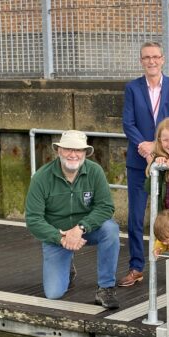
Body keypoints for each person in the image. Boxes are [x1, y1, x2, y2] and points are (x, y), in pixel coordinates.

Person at [25, 130, 120, 309]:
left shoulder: (95, 171)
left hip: (86, 230)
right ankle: (68, 265)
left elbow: (106, 207)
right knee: (54, 293)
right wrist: (59, 237)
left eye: (79, 150)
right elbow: (33, 219)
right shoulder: (41, 177)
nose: (73, 154)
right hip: (58, 236)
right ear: (59, 151)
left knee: (111, 229)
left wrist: (80, 228)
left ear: (85, 153)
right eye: (68, 149)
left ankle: (106, 287)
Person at [119, 41, 169, 288]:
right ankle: (136, 267)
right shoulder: (132, 88)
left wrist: (158, 148)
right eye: (146, 57)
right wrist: (145, 147)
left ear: (163, 59)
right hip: (139, 163)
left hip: (167, 162)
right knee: (136, 217)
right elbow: (128, 123)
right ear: (141, 61)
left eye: (155, 56)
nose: (151, 61)